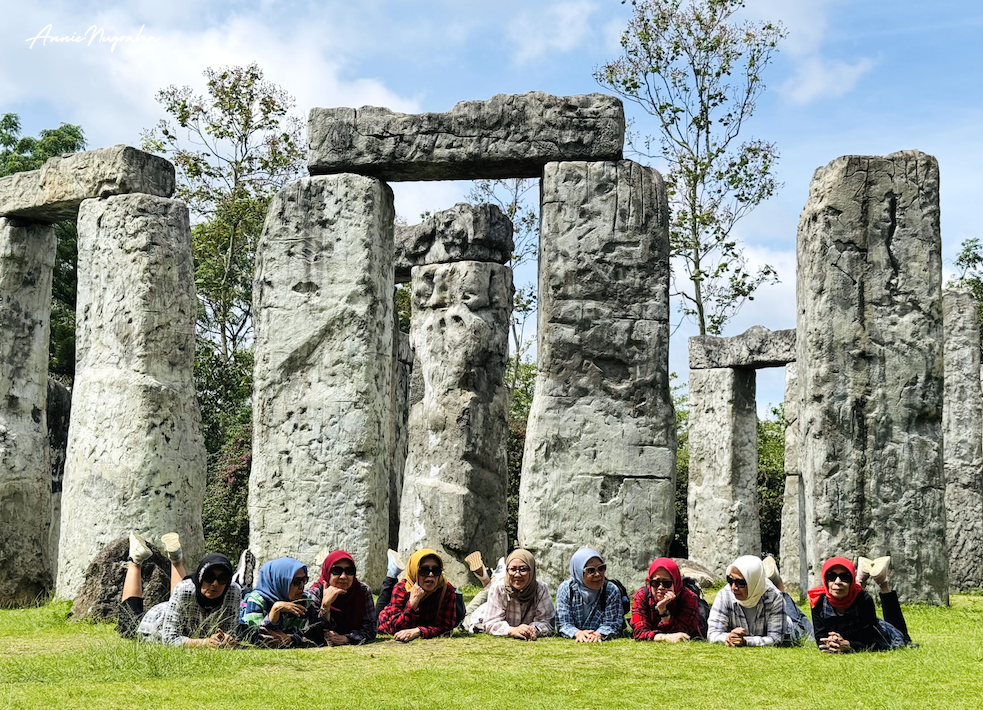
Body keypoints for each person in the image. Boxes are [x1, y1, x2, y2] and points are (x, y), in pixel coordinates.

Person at [118, 532, 241, 647]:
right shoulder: (185, 589)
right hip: (157, 622)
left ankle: (176, 557)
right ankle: (135, 560)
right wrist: (204, 643)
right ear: (200, 577)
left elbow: (230, 630)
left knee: (186, 592)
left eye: (222, 578)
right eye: (209, 577)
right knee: (128, 624)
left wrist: (226, 639)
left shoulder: (233, 591)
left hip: (182, 614)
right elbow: (169, 638)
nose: (215, 584)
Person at [809, 556, 912, 652]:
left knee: (902, 639)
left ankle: (883, 583)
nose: (837, 581)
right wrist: (832, 641)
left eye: (845, 577)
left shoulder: (864, 600)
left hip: (872, 629)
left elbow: (870, 640)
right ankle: (859, 579)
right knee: (854, 594)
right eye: (831, 576)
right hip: (853, 631)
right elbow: (820, 637)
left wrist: (849, 645)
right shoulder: (818, 601)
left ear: (851, 581)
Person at [464, 549, 555, 640]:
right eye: (513, 569)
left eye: (523, 569)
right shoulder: (498, 588)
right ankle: (489, 579)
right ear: (507, 570)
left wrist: (532, 629)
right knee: (465, 616)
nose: (517, 574)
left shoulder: (541, 589)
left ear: (532, 570)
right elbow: (491, 623)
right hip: (479, 618)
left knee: (491, 587)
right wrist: (511, 630)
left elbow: (547, 622)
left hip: (496, 597)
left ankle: (491, 578)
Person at [377, 548, 458, 641]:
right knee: (379, 608)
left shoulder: (445, 589)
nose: (431, 574)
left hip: (415, 625)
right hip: (383, 620)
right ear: (415, 571)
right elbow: (395, 627)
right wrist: (412, 603)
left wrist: (418, 631)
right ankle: (391, 573)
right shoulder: (402, 588)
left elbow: (446, 626)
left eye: (436, 570)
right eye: (424, 570)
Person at [239, 557, 318, 648]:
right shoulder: (256, 600)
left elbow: (307, 634)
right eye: (296, 581)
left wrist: (289, 639)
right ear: (279, 580)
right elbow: (255, 637)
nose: (302, 586)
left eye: (304, 580)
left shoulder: (303, 600)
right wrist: (274, 612)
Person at [707, 555, 785, 646]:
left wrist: (746, 641)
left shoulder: (775, 598)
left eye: (740, 583)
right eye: (730, 580)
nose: (733, 587)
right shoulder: (724, 595)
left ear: (753, 582)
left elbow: (776, 638)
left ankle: (775, 577)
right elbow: (713, 633)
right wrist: (729, 638)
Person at [307, 550, 377, 645]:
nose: (343, 576)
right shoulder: (316, 592)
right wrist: (325, 606)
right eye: (336, 571)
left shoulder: (362, 591)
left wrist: (346, 638)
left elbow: (371, 629)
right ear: (327, 571)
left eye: (349, 571)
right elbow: (312, 632)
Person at [555, 547, 625, 642]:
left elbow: (613, 623)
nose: (597, 574)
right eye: (591, 570)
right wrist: (577, 633)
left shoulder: (610, 590)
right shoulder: (566, 589)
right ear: (578, 571)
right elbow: (563, 623)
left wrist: (599, 634)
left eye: (601, 568)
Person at [630, 557, 706, 642]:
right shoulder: (641, 596)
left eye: (667, 583)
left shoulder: (689, 598)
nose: (660, 587)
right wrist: (664, 638)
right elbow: (639, 632)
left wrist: (663, 611)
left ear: (676, 582)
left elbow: (684, 633)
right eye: (655, 583)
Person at [762, 554, 814, 645]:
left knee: (799, 617)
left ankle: (813, 634)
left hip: (784, 627)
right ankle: (813, 635)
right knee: (799, 619)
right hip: (792, 630)